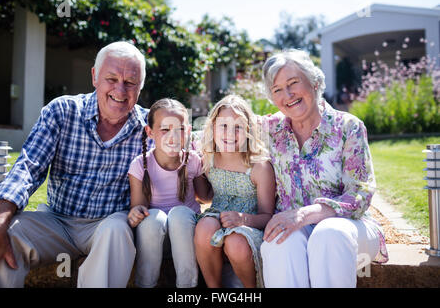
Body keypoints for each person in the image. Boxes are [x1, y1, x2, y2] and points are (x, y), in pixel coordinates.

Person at [0, 41, 150, 288]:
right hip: (56, 221)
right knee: (6, 235)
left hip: (107, 225)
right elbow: (28, 168)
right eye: (111, 78)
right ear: (95, 76)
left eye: (130, 82)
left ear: (140, 86)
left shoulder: (150, 127)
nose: (120, 90)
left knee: (118, 230)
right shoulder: (62, 110)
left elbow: (186, 157)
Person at [259, 49, 388, 288]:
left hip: (349, 226)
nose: (287, 95)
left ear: (315, 82)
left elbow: (359, 194)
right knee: (279, 241)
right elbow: (221, 131)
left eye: (293, 83)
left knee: (328, 234)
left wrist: (306, 214)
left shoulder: (348, 127)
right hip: (294, 228)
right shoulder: (269, 129)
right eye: (277, 90)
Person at [127, 98, 212, 288]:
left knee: (180, 215)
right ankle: (145, 284)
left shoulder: (193, 161)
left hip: (187, 234)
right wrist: (135, 214)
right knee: (153, 218)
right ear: (150, 133)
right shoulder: (139, 165)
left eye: (180, 129)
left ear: (188, 132)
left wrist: (212, 167)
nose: (173, 137)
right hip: (155, 238)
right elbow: (138, 207)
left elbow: (206, 196)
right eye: (165, 129)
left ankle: (187, 286)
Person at [194, 95, 275, 288]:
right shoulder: (208, 157)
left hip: (250, 224)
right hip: (218, 215)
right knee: (204, 227)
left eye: (238, 127)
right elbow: (205, 196)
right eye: (223, 126)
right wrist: (192, 170)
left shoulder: (258, 166)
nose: (230, 134)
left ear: (248, 131)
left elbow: (267, 215)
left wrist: (242, 219)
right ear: (213, 128)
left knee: (235, 242)